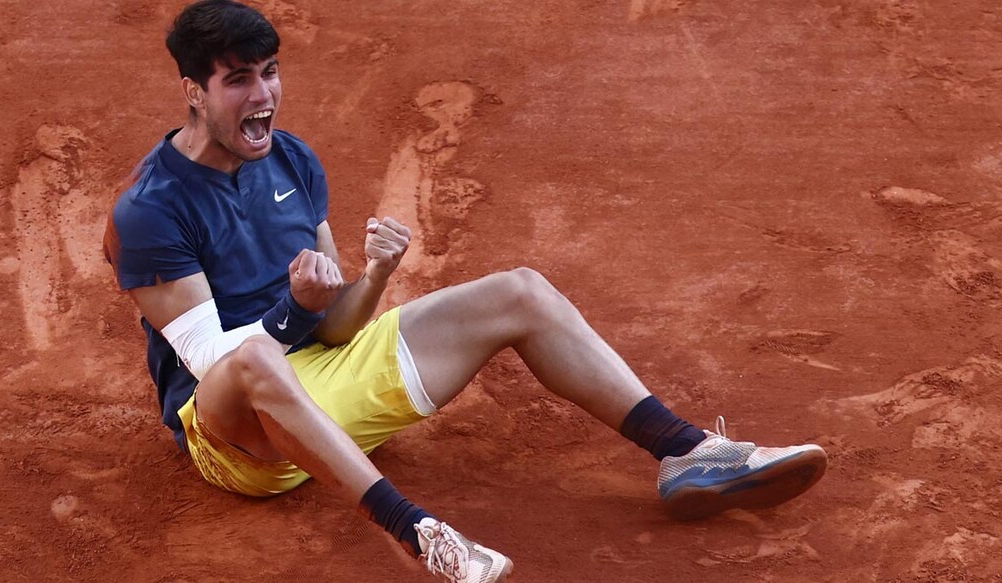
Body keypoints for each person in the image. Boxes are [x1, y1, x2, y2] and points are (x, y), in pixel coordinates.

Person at [103, 1, 828, 581]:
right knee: (257, 364)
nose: (263, 97)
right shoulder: (151, 210)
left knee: (521, 290)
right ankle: (421, 535)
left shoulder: (290, 158)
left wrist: (374, 275)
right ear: (193, 91)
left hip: (315, 386)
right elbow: (213, 365)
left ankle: (685, 449)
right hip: (238, 440)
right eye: (238, 80)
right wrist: (295, 307)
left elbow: (337, 332)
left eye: (270, 71)